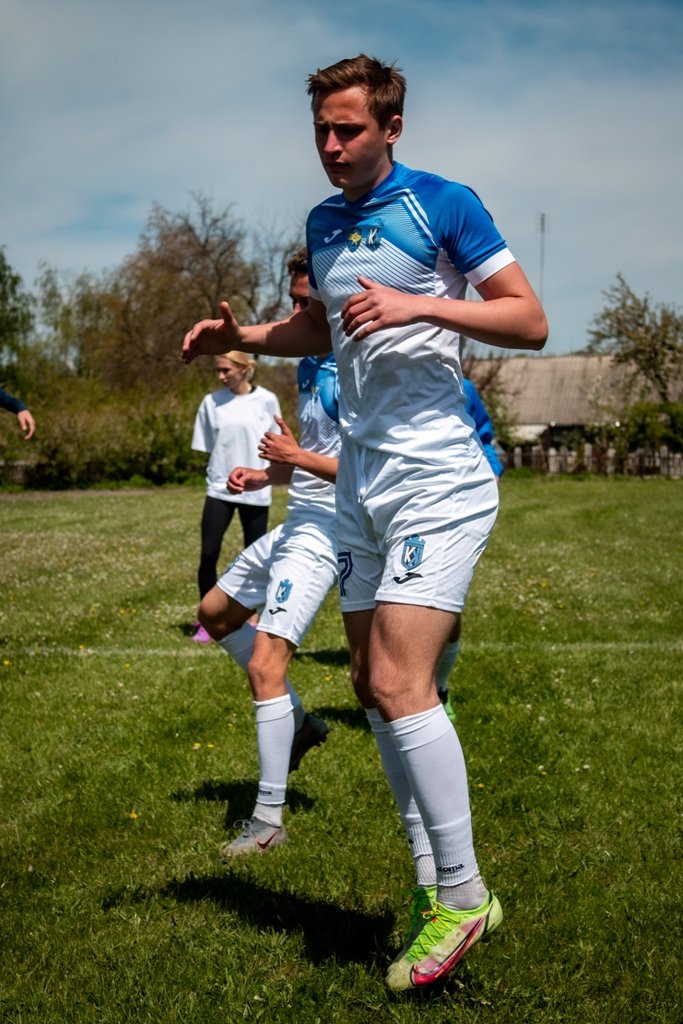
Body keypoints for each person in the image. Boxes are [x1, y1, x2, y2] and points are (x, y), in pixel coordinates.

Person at [182, 54, 547, 991]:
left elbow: (527, 319)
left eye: (347, 129)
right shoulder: (322, 223)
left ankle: (463, 896)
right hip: (361, 486)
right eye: (320, 130)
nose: (331, 145)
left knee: (395, 679)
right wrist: (245, 337)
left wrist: (419, 302)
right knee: (369, 682)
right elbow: (325, 330)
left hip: (436, 478)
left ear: (390, 127)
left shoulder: (442, 204)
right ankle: (433, 881)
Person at [195, 250, 343, 856]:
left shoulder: (363, 366)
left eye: (307, 302)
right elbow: (317, 455)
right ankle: (299, 723)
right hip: (300, 515)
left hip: (331, 529)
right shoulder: (311, 361)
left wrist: (296, 459)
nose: (297, 312)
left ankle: (268, 822)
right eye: (294, 300)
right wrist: (268, 475)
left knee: (265, 667)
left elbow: (372, 471)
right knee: (214, 612)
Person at [191, 351, 281, 642]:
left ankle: (252, 618)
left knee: (255, 559)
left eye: (226, 370)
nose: (220, 376)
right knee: (208, 554)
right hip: (220, 488)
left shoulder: (267, 400)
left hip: (256, 490)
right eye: (217, 371)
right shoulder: (211, 402)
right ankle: (207, 621)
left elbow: (276, 444)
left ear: (243, 369)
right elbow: (209, 446)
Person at [436, 377, 503, 722]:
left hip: (449, 501)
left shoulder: (459, 384)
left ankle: (439, 686)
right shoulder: (360, 376)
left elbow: (483, 434)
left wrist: (491, 470)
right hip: (378, 500)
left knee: (444, 602)